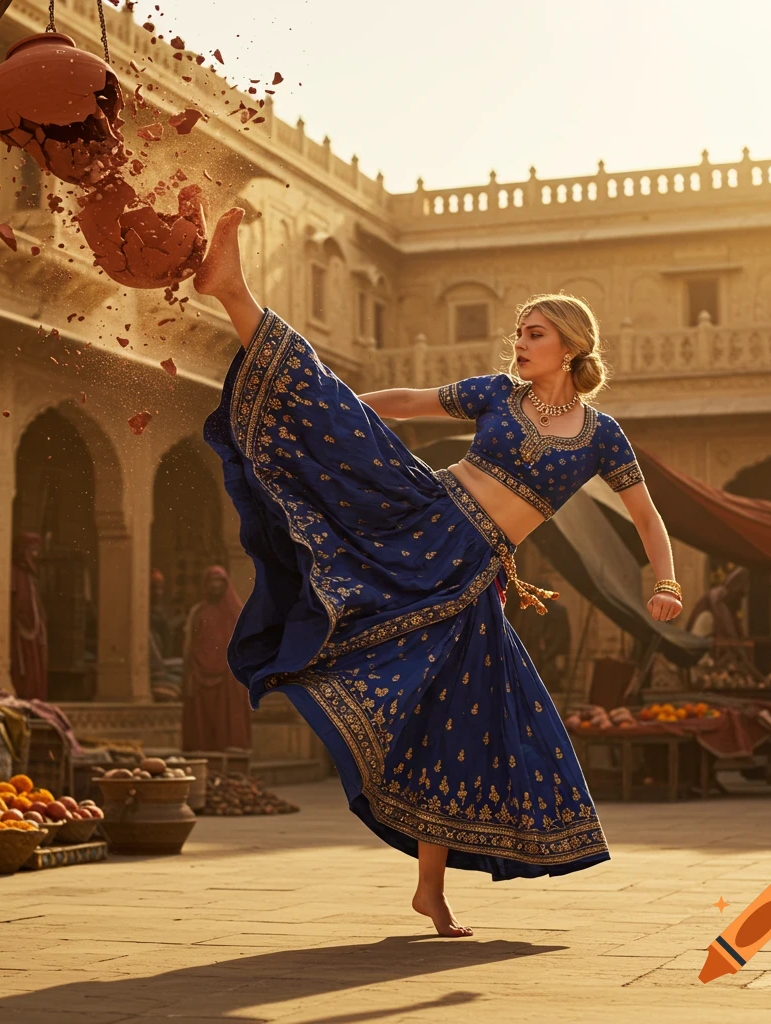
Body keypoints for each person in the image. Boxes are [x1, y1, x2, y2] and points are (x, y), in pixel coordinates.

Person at [194, 209, 683, 937]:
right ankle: (233, 290)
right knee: (326, 404)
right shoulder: (497, 394)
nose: (520, 344)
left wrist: (665, 582)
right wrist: (335, 413)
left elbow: (647, 516)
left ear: (571, 346)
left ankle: (431, 890)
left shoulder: (600, 436)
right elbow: (408, 404)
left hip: (470, 576)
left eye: (534, 334)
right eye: (518, 333)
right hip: (421, 516)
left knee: (460, 720)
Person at [181, 565, 251, 751]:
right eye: (211, 580)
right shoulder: (197, 611)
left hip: (228, 676)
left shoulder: (236, 612)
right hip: (199, 672)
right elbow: (190, 644)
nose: (215, 585)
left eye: (219, 580)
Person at [10, 532, 48, 700]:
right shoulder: (15, 572)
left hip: (34, 627)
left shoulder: (30, 574)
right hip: (21, 627)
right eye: (31, 549)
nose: (35, 554)